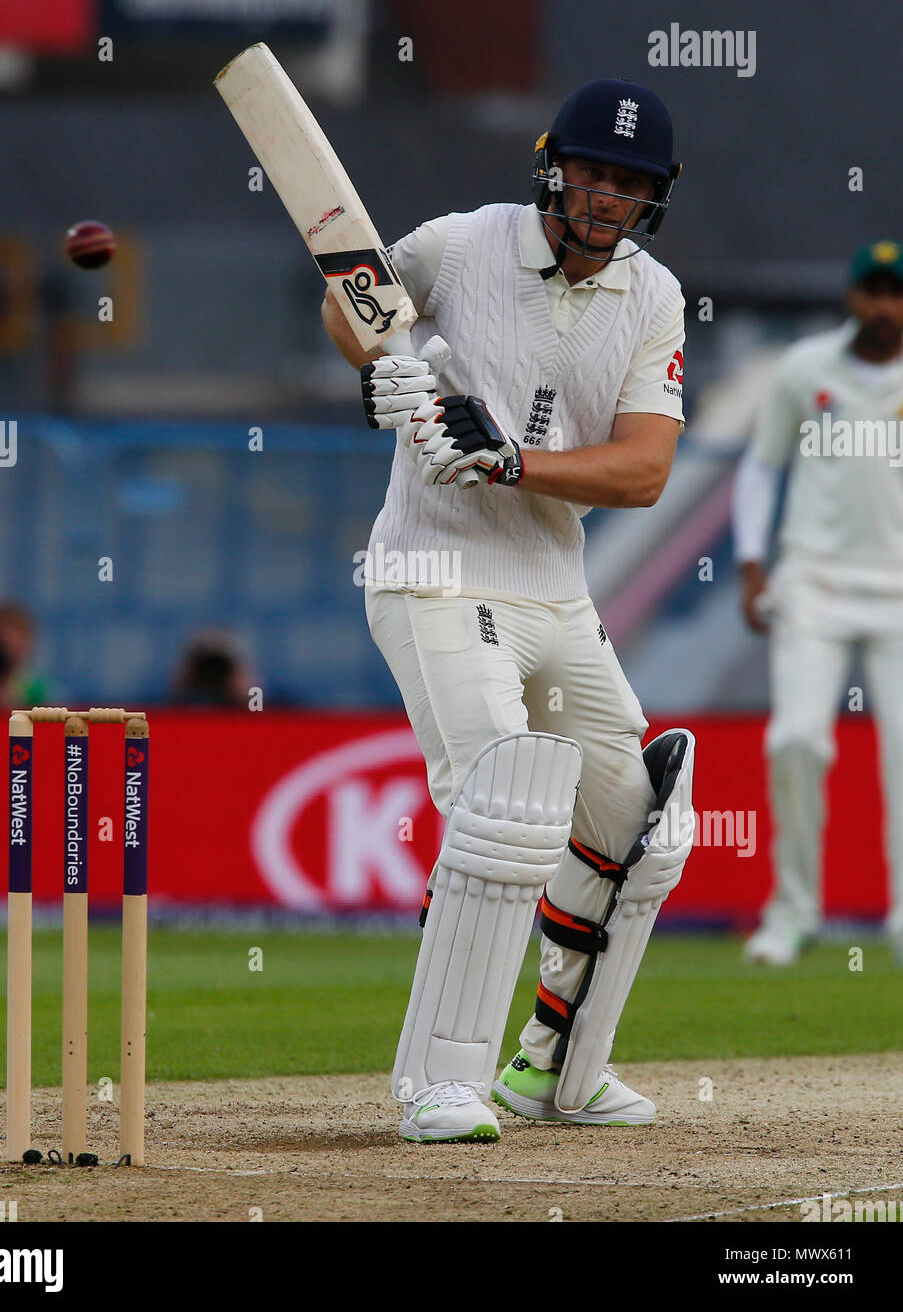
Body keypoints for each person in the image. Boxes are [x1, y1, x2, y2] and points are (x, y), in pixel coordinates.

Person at [323, 78, 697, 1143]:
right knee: (503, 799)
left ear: (652, 198)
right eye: (591, 170)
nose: (605, 195)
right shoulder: (462, 243)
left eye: (629, 182)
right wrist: (381, 373)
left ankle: (555, 1074)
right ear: (553, 164)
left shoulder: (653, 297)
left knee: (639, 824)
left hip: (555, 590)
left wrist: (512, 458)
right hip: (433, 572)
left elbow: (642, 471)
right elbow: (352, 300)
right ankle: (439, 1080)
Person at [735, 241, 903, 967]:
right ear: (850, 297)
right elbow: (761, 465)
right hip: (812, 584)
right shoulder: (805, 370)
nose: (882, 307)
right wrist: (748, 564)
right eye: (871, 291)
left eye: (894, 293)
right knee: (796, 740)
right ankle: (791, 914)